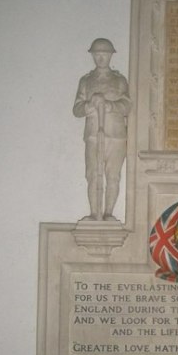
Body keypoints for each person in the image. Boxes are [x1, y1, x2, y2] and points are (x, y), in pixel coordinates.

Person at [73, 38, 131, 221]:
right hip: (93, 135)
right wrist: (90, 105)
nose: (101, 58)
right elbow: (77, 109)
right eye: (97, 54)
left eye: (104, 54)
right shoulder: (86, 81)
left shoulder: (119, 80)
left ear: (111, 56)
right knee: (93, 174)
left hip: (116, 135)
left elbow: (127, 105)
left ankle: (108, 213)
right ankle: (94, 213)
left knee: (112, 175)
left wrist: (109, 106)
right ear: (92, 56)